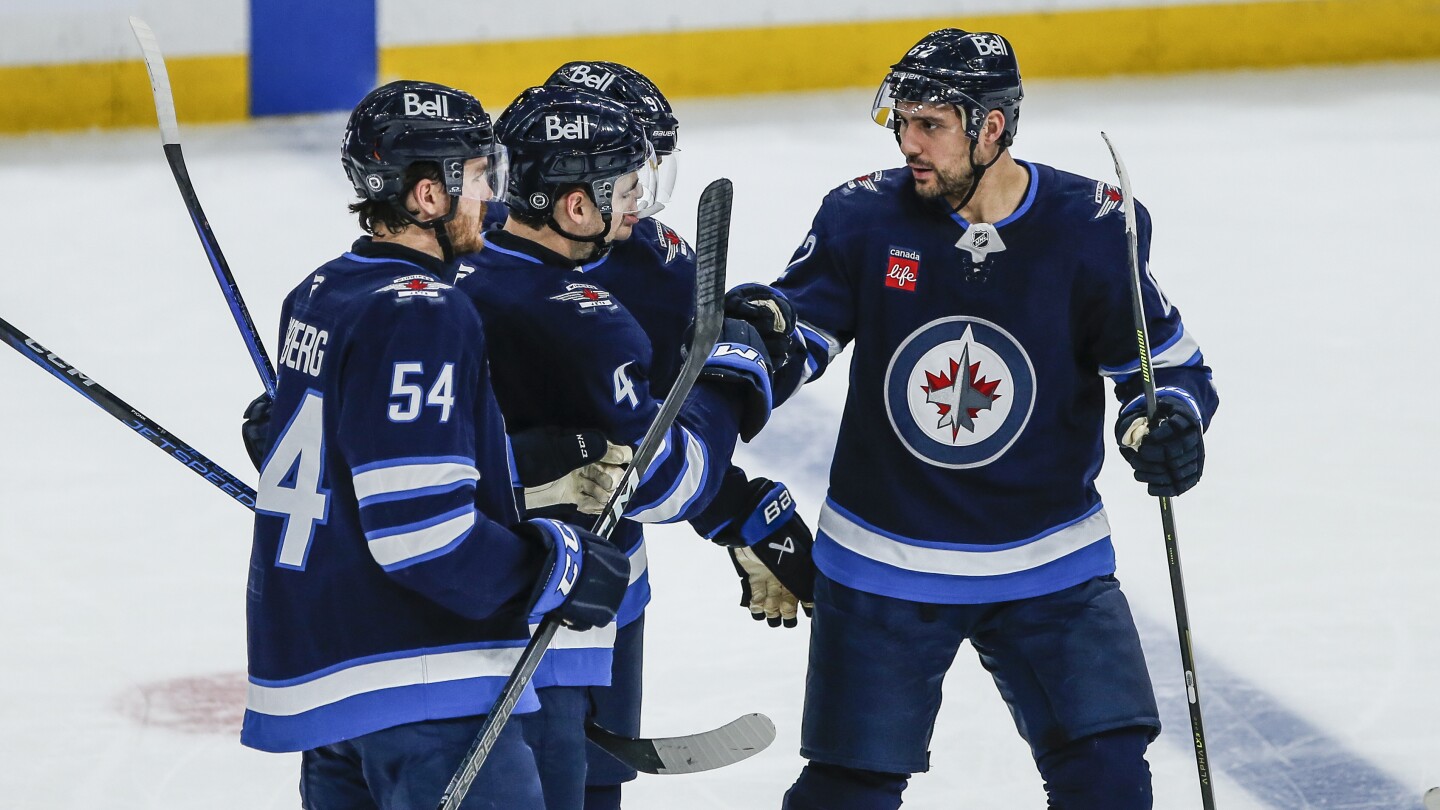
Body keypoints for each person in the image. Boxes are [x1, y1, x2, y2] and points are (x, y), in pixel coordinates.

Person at [731, 29, 1218, 810]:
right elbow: (799, 341)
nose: (907, 141)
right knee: (844, 794)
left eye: (931, 124)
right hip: (883, 563)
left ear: (992, 127)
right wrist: (756, 342)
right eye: (902, 120)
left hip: (1051, 566)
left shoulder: (1093, 226)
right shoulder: (860, 217)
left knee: (1109, 777)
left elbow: (1165, 367)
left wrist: (1165, 422)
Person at [239, 80, 630, 810]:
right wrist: (554, 568)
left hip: (335, 689)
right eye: (481, 178)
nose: (498, 201)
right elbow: (422, 538)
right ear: (427, 196)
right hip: (419, 684)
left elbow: (349, 467)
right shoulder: (427, 313)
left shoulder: (323, 289)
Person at [445, 84, 809, 810]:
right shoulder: (585, 309)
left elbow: (630, 434)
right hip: (537, 588)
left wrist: (731, 510)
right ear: (574, 197)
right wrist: (733, 378)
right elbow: (663, 467)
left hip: (558, 573)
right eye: (628, 182)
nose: (642, 202)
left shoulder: (456, 238)